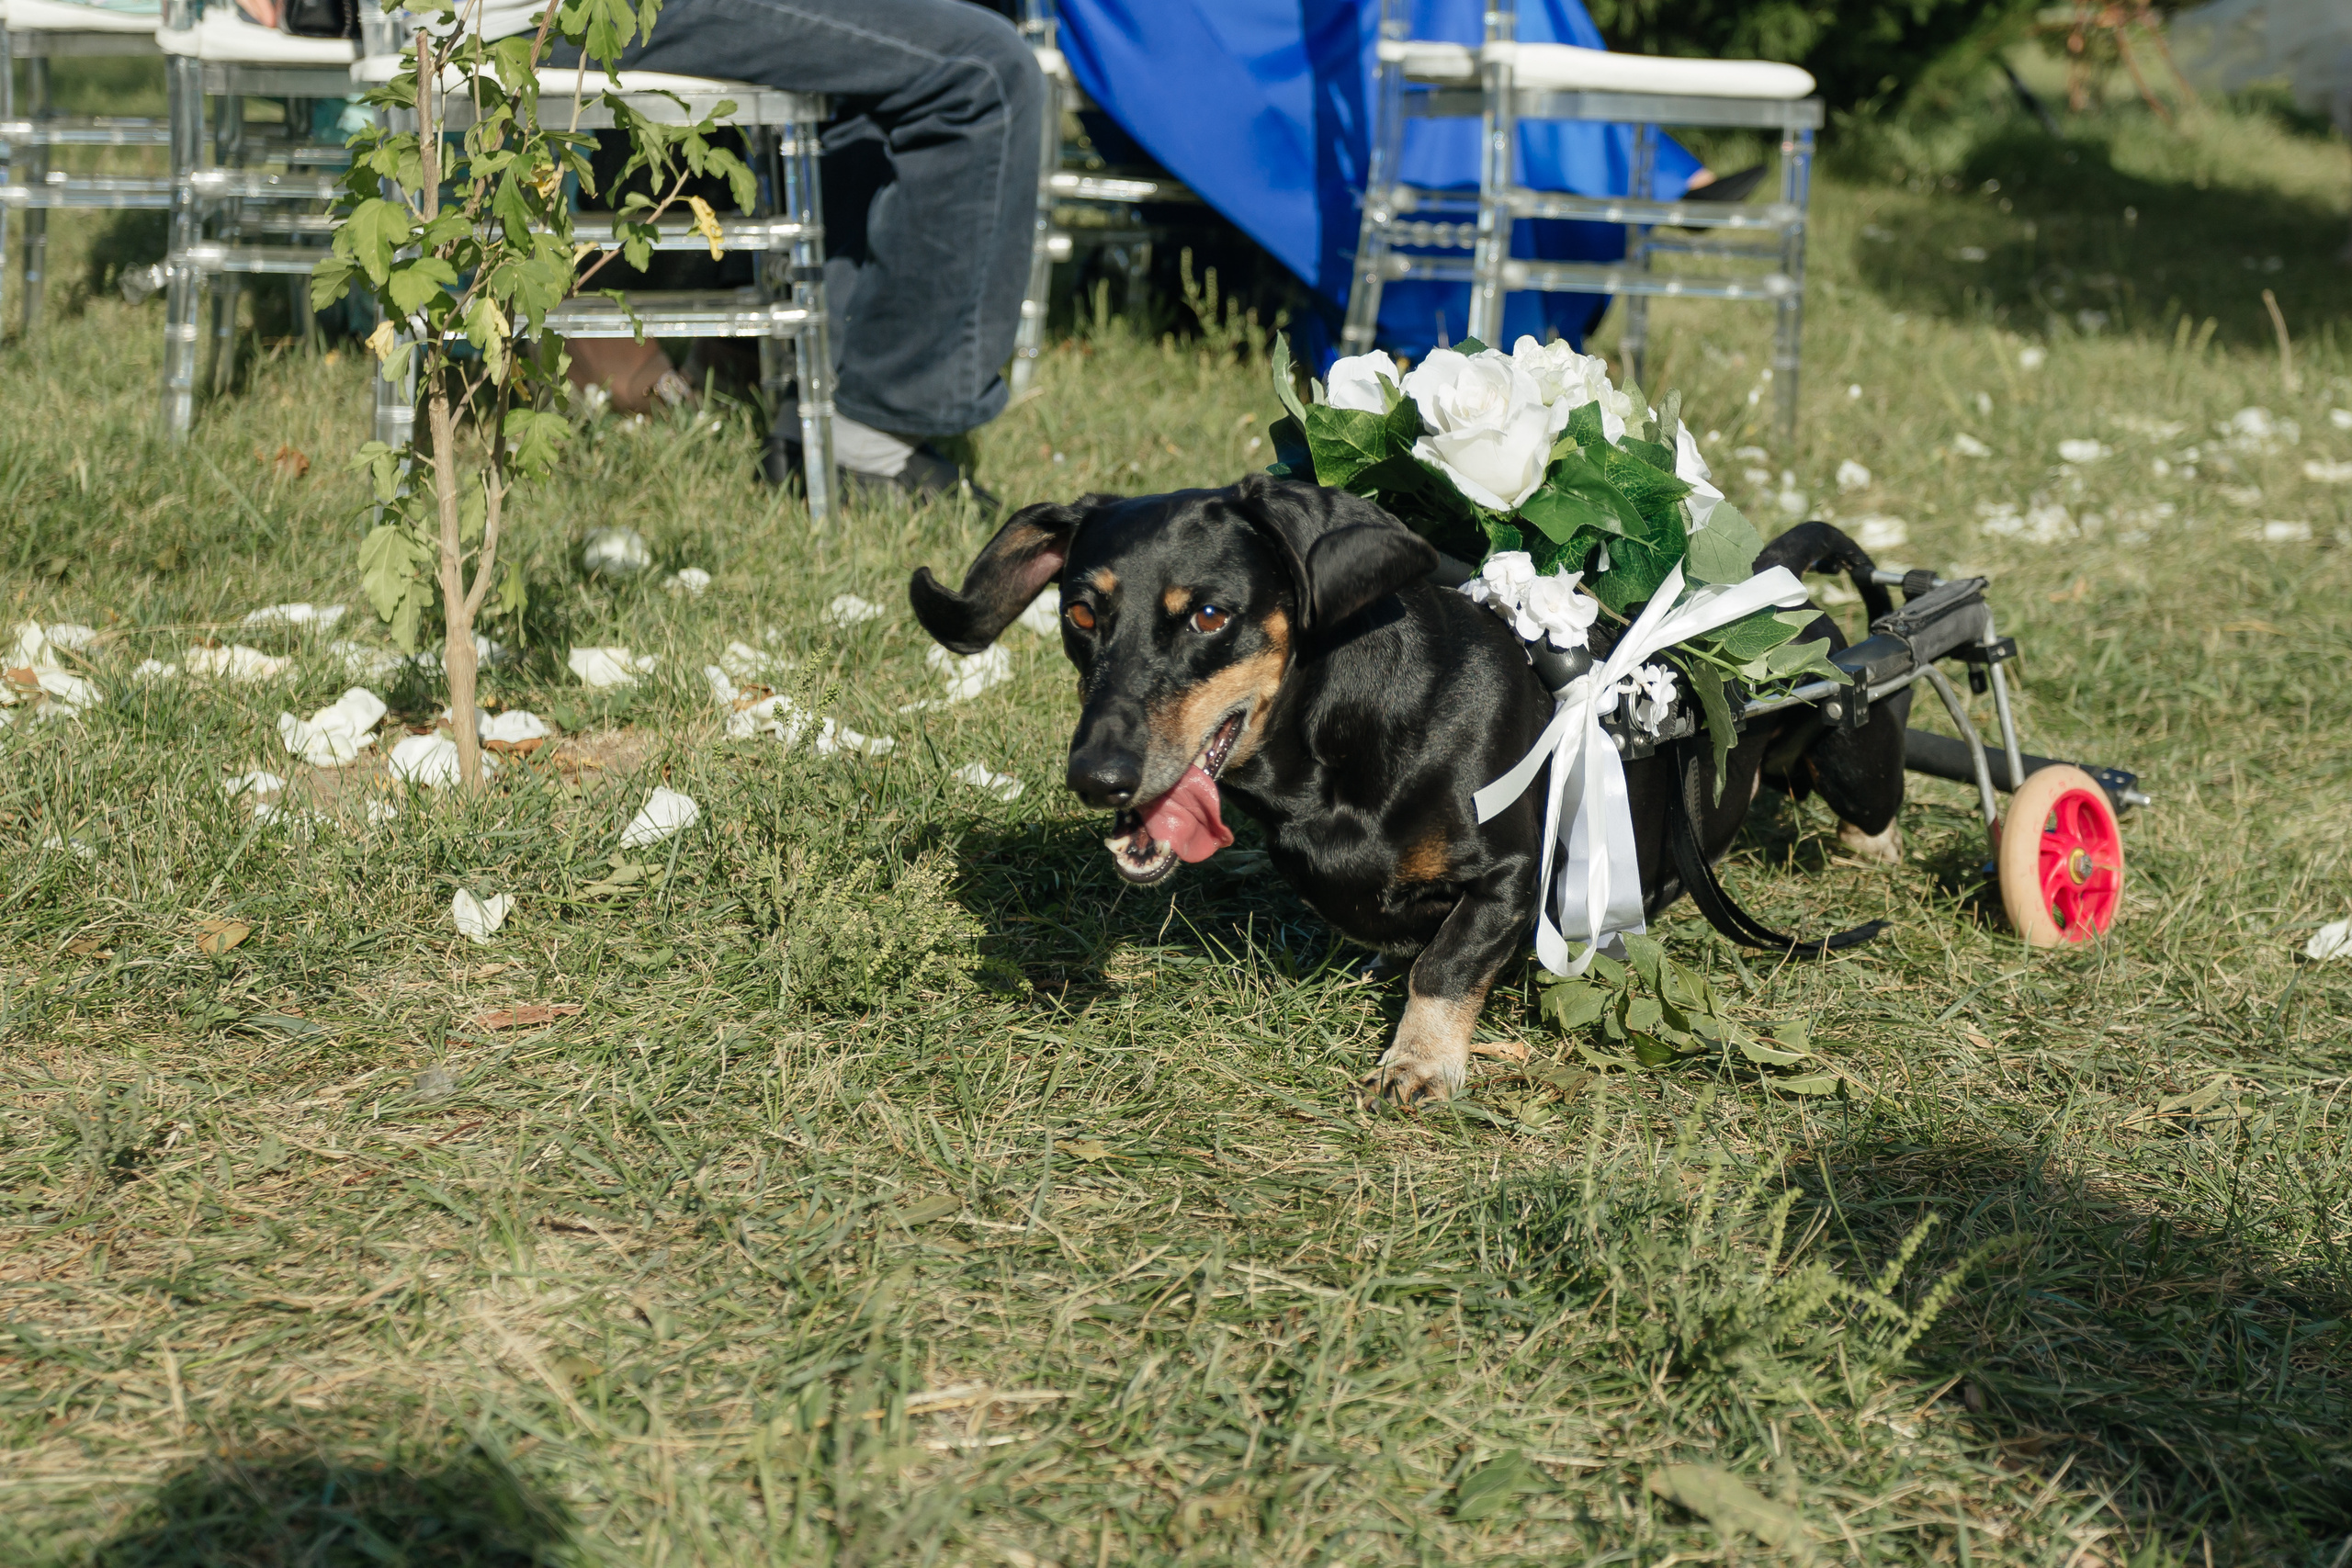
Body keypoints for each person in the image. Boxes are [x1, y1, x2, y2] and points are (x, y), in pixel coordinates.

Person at [512, 0, 1044, 507]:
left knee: (895, 59)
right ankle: (872, 437)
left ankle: (815, 391)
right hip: (549, 19)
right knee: (986, 71)